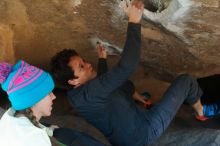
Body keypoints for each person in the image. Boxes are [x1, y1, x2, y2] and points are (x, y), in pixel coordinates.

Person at [50, 1, 205, 146]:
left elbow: (102, 85)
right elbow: (127, 66)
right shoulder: (90, 93)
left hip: (126, 137)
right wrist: (134, 22)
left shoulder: (78, 96)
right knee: (185, 81)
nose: (88, 64)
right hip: (145, 132)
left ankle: (141, 99)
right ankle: (201, 112)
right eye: (82, 67)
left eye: (83, 61)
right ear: (73, 81)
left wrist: (102, 60)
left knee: (122, 85)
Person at [0, 60, 107, 146]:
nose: (54, 96)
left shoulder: (10, 115)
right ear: (34, 100)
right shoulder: (35, 139)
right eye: (48, 93)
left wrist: (47, 130)